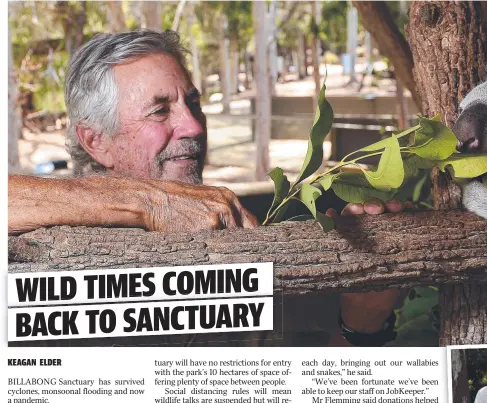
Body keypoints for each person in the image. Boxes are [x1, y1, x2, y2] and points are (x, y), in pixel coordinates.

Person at [8, 29, 400, 346]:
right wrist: (152, 203)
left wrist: (363, 319)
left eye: (193, 104)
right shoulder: (42, 237)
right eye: (160, 110)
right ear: (95, 141)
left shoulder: (228, 229)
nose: (194, 126)